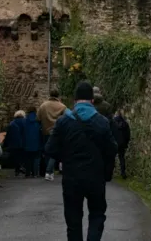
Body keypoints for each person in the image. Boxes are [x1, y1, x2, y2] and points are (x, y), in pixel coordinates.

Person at [45, 82, 117, 241]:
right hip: (95, 176)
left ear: (75, 100)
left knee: (73, 219)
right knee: (97, 214)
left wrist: (63, 159)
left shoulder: (63, 122)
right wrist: (106, 172)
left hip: (72, 177)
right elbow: (112, 149)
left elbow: (50, 148)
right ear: (92, 100)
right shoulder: (102, 122)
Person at [37, 88, 67, 181]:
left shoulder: (43, 106)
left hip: (45, 131)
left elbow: (38, 118)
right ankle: (49, 171)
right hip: (57, 132)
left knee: (47, 151)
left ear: (50, 94)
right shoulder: (62, 106)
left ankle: (49, 171)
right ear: (58, 95)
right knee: (55, 152)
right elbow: (66, 119)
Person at [2, 111, 27, 176]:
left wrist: (5, 144)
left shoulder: (12, 123)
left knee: (16, 157)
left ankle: (17, 170)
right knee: (23, 156)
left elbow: (8, 135)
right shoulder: (26, 122)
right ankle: (23, 167)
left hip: (14, 143)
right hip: (24, 142)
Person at [22, 107, 42, 178]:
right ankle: (35, 173)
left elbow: (22, 132)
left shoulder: (24, 121)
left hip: (27, 143)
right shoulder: (38, 120)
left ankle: (27, 173)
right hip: (37, 142)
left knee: (28, 158)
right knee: (36, 158)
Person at [111, 110, 131, 179]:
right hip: (122, 144)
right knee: (122, 158)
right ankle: (123, 173)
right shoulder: (125, 124)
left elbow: (110, 133)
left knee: (112, 158)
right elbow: (128, 134)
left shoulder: (113, 123)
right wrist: (126, 143)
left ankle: (111, 172)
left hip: (114, 143)